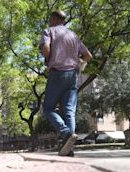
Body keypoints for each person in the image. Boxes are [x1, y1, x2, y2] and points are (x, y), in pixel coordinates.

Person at [39, 10, 92, 156]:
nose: (49, 22)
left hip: (57, 73)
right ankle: (68, 149)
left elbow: (45, 47)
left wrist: (47, 58)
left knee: (48, 108)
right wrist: (80, 63)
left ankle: (66, 132)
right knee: (69, 111)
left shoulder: (48, 31)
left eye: (50, 20)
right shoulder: (73, 35)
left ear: (54, 19)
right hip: (73, 75)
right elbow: (88, 55)